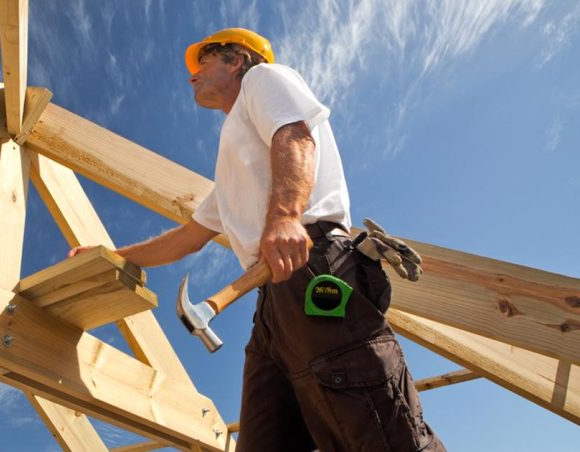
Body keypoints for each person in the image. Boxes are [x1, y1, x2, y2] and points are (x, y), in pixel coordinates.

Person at [70, 28, 444, 451]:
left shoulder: (263, 80)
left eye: (204, 62)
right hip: (271, 304)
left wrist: (286, 215)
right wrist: (110, 255)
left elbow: (296, 135)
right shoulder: (234, 162)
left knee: (377, 430)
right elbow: (186, 239)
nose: (191, 76)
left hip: (313, 267)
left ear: (237, 60)